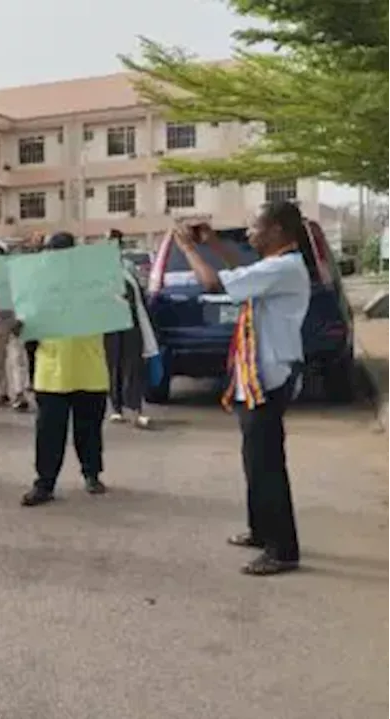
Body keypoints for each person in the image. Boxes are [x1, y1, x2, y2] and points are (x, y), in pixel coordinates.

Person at [171, 203, 310, 576]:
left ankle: (282, 550)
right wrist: (214, 243)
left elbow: (215, 283)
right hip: (258, 374)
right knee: (254, 459)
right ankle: (261, 530)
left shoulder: (284, 267)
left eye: (254, 228)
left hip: (270, 375)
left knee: (266, 465)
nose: (249, 235)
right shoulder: (278, 265)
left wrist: (188, 249)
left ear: (278, 230)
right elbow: (241, 269)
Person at [19, 232, 110, 507]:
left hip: (89, 368)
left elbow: (114, 313)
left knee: (89, 429)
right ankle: (44, 484)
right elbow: (26, 324)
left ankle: (92, 474)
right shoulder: (36, 285)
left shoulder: (96, 284)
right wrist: (19, 326)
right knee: (48, 432)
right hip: (51, 371)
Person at [105, 250, 159, 429]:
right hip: (111, 329)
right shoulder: (102, 279)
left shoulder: (128, 275)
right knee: (114, 367)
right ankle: (117, 408)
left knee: (133, 367)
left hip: (131, 328)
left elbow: (139, 304)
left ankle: (136, 409)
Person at [0, 244, 32, 412]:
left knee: (17, 358)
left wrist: (22, 318)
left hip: (14, 320)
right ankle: (3, 393)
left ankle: (19, 393)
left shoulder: (15, 274)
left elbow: (25, 296)